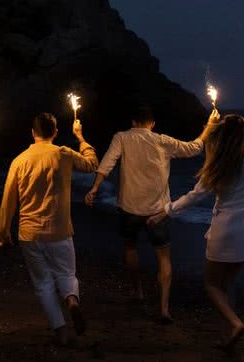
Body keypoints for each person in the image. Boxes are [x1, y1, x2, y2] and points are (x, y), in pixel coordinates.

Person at [148, 103, 244, 348]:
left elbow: (194, 196)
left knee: (211, 284)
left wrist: (165, 212)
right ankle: (229, 332)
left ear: (223, 137)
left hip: (224, 231)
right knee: (227, 283)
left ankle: (235, 324)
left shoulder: (217, 164)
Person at [84, 106, 218, 323]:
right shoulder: (162, 140)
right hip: (158, 210)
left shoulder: (121, 137)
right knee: (163, 257)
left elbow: (107, 163)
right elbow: (194, 148)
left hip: (129, 207)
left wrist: (94, 188)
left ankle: (137, 291)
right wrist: (209, 128)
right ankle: (164, 309)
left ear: (132, 122)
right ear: (152, 124)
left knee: (130, 248)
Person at [0, 113, 98, 345]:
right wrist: (81, 138)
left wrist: (3, 232)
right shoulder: (63, 153)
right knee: (67, 274)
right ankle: (71, 300)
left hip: (29, 232)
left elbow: (8, 200)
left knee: (43, 283)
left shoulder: (19, 160)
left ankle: (61, 331)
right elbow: (92, 165)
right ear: (55, 132)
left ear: (33, 133)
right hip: (59, 229)